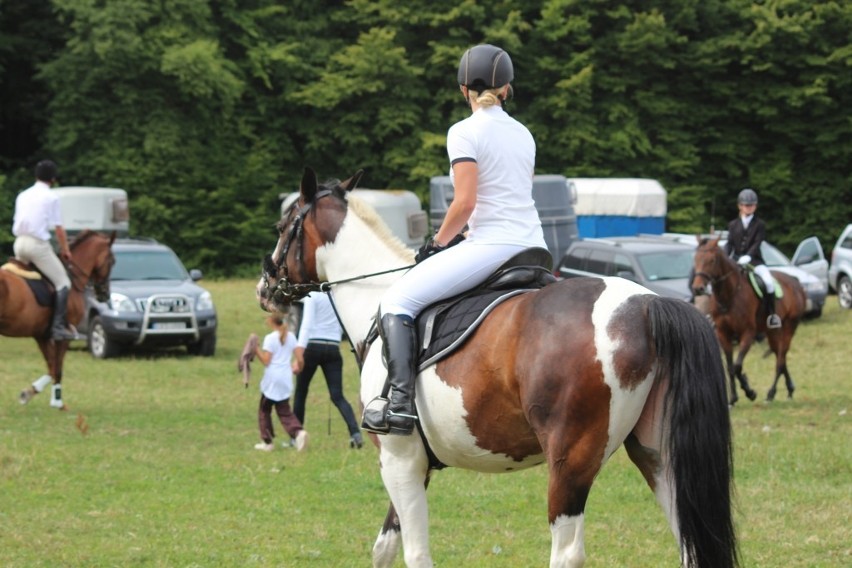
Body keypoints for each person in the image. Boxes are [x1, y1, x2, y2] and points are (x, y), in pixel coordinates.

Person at [361, 44, 546, 436]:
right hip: (534, 246)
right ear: (506, 89)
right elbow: (509, 197)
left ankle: (399, 405)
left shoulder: (463, 132)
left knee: (397, 301)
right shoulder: (524, 134)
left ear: (464, 90)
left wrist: (437, 245)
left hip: (493, 247)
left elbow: (465, 202)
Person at [12, 159, 75, 340]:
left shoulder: (23, 195)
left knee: (27, 279)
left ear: (36, 176)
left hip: (19, 243)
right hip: (36, 245)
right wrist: (66, 250)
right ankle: (57, 328)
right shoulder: (52, 197)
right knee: (63, 283)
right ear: (53, 179)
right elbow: (59, 229)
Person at [293, 291, 363, 449]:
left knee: (301, 392)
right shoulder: (337, 296)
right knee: (337, 396)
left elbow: (307, 324)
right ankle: (355, 433)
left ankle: (295, 435)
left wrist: (299, 350)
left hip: (312, 346)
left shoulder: (313, 296)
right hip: (333, 347)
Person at [724, 188, 782, 329]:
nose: (748, 207)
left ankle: (772, 315)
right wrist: (726, 258)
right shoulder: (733, 225)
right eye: (745, 205)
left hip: (755, 262)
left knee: (768, 283)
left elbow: (757, 243)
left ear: (755, 206)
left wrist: (748, 256)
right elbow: (730, 243)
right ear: (740, 206)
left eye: (751, 205)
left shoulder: (760, 224)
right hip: (737, 262)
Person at [253, 314, 309, 451]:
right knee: (284, 411)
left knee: (264, 410)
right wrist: (299, 369)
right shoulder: (291, 337)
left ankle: (267, 442)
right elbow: (300, 359)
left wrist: (255, 350)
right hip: (285, 376)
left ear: (271, 321)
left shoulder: (270, 338)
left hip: (272, 378)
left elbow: (267, 361)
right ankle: (298, 432)